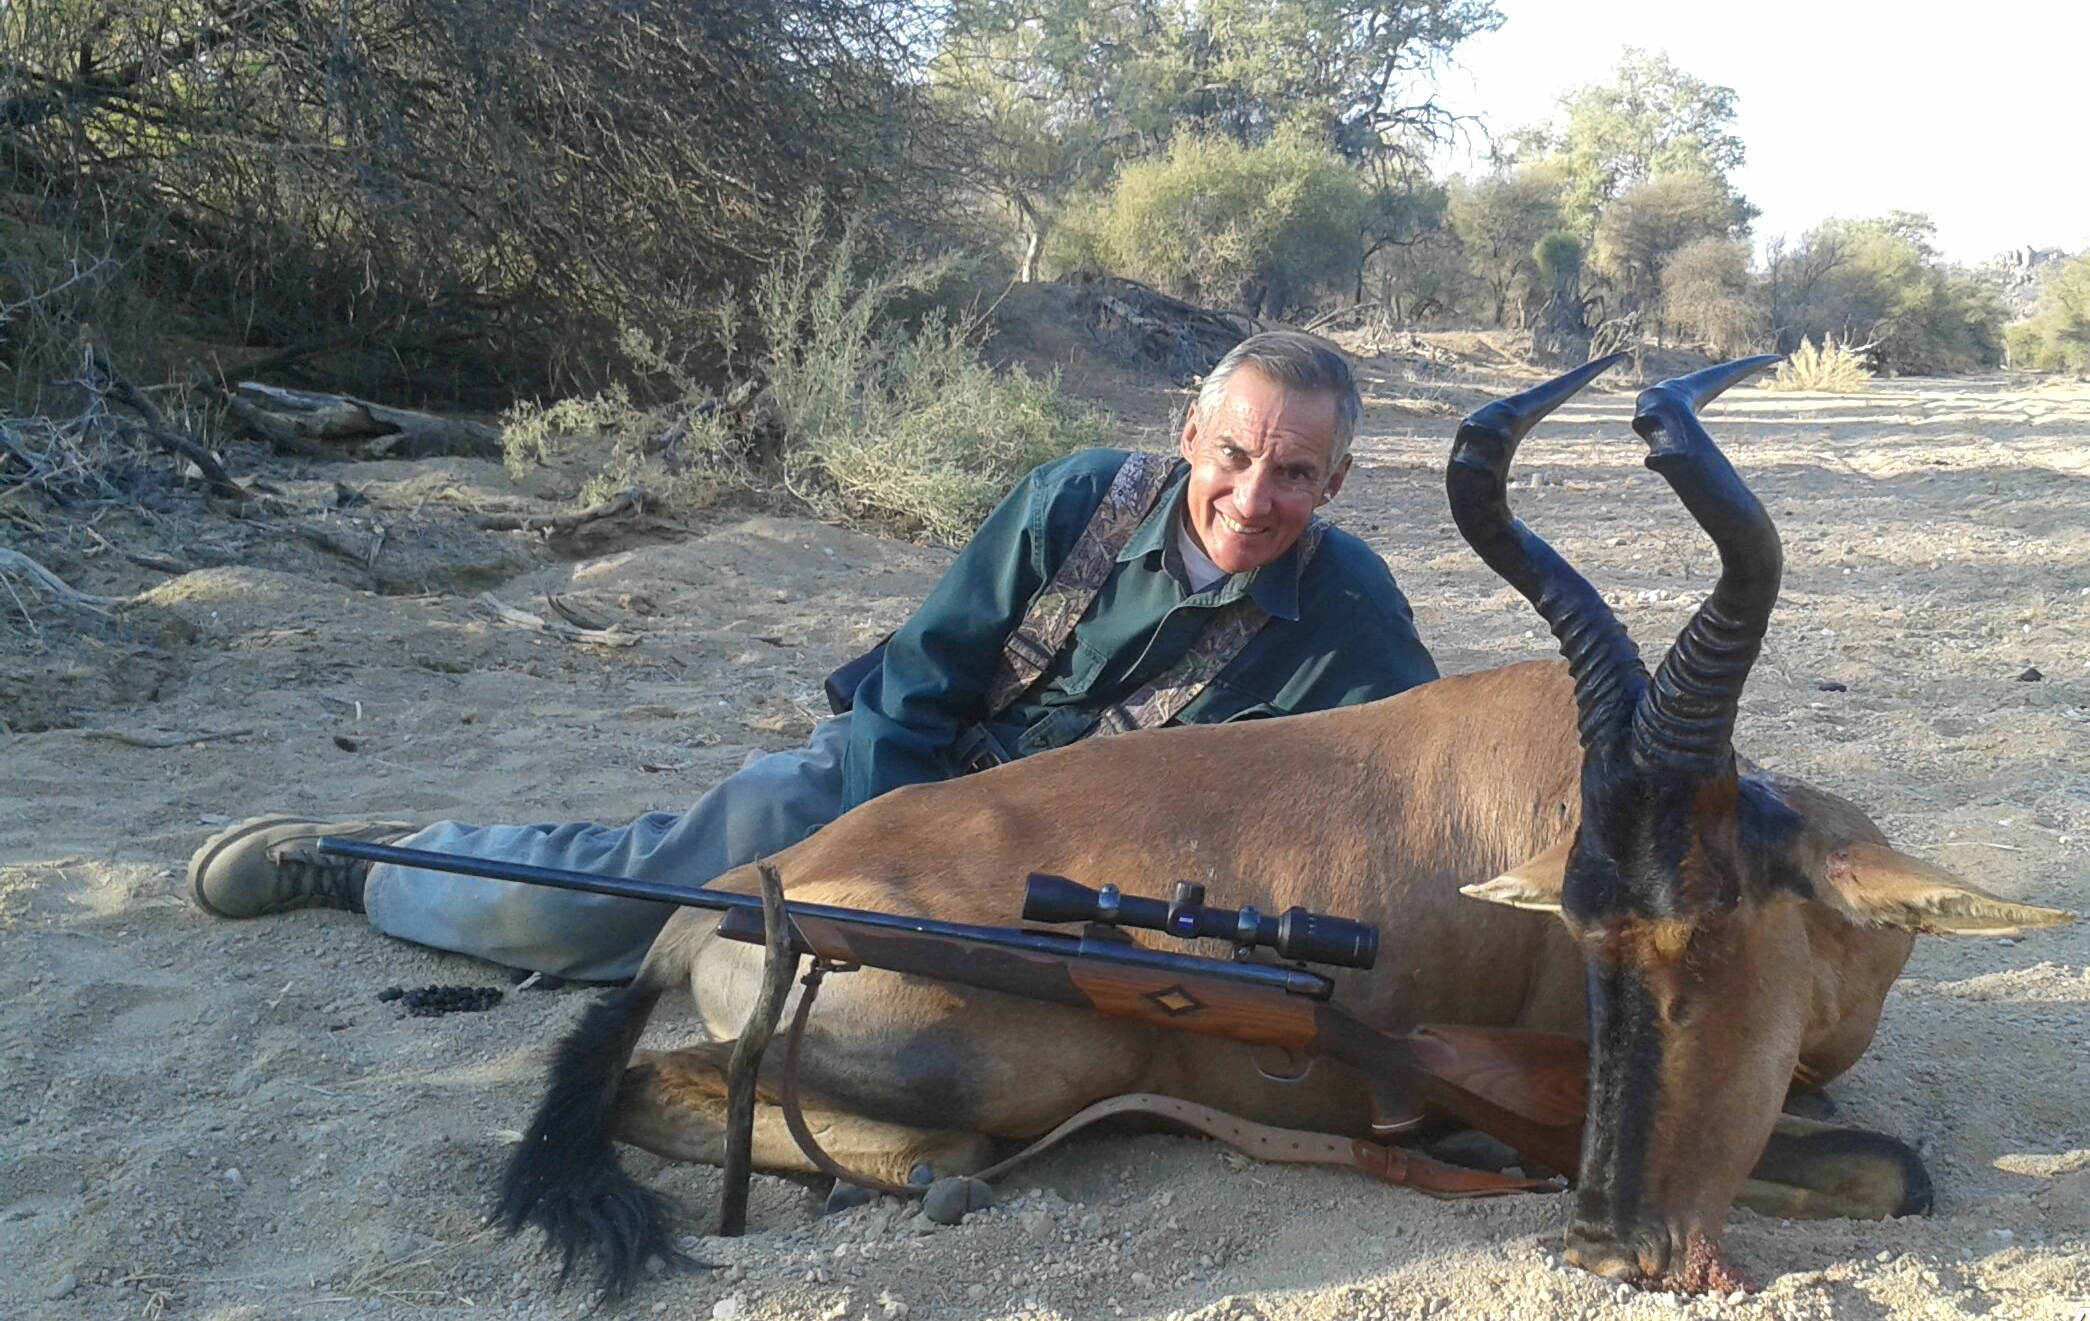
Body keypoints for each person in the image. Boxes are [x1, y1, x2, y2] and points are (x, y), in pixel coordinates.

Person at [190, 331, 1438, 980]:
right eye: (1234, 456)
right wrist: (904, 847)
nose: (1252, 495)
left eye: (1291, 473)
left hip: (1070, 895)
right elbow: (917, 679)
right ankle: (366, 866)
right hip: (882, 788)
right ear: (1188, 437)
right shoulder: (1076, 500)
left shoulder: (1355, 613)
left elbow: (1418, 791)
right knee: (621, 919)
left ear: (1336, 480)